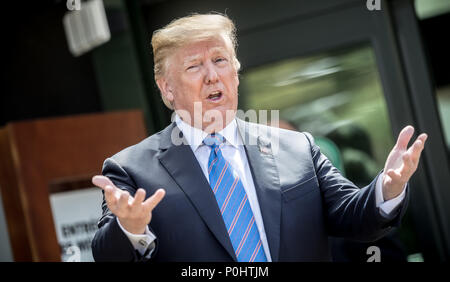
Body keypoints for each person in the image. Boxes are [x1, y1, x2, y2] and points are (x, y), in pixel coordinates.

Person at [91, 13, 428, 262]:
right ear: (167, 89)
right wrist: (130, 228)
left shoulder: (297, 148)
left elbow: (354, 217)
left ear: (235, 74)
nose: (212, 76)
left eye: (220, 60)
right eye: (194, 66)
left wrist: (387, 188)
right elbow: (108, 257)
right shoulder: (130, 170)